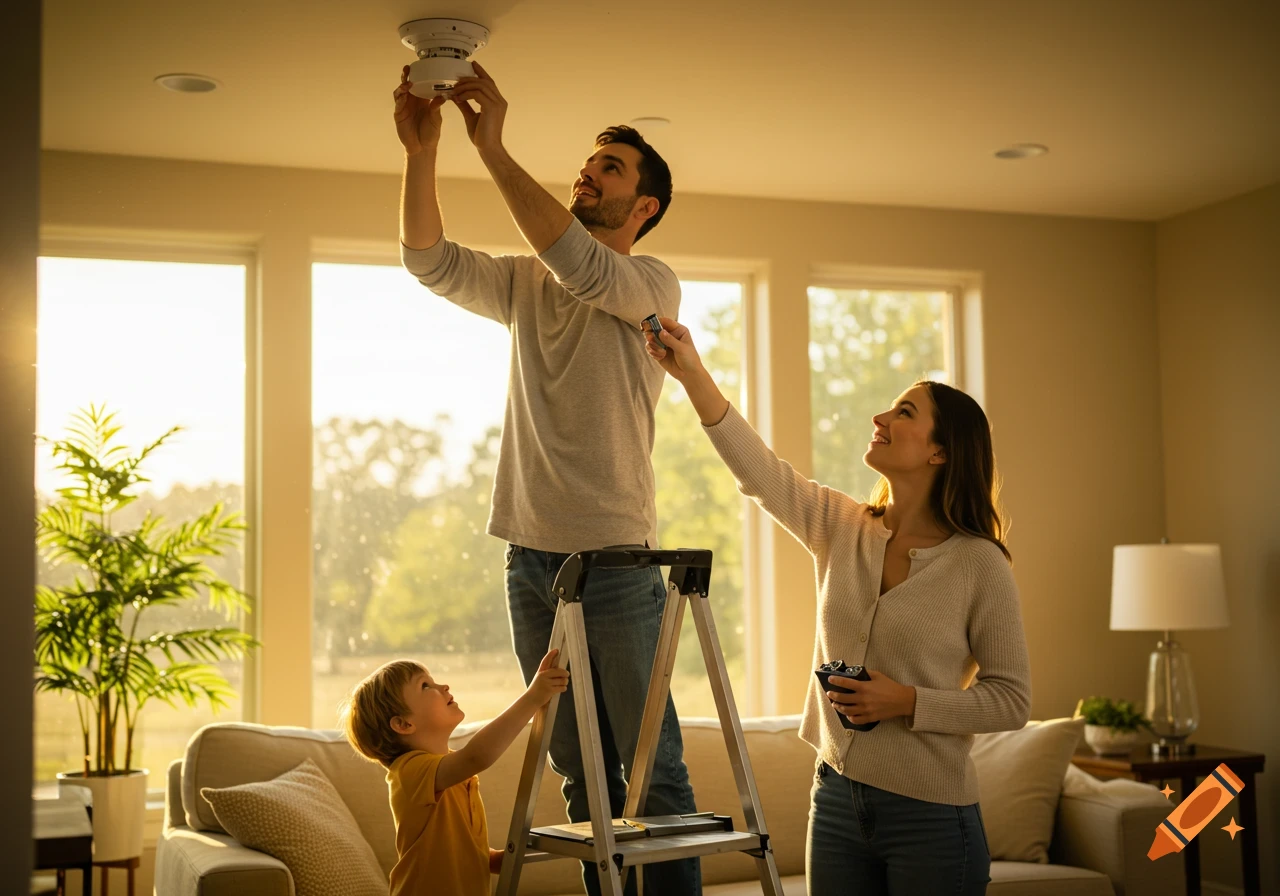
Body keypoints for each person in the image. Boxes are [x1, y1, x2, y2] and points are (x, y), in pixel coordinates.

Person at [392, 62, 700, 896]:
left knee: (652, 776)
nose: (588, 173)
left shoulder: (649, 284)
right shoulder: (527, 281)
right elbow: (427, 261)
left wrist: (489, 146)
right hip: (529, 559)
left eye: (611, 167)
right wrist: (424, 152)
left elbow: (585, 269)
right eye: (590, 160)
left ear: (644, 208)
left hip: (616, 561)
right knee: (576, 771)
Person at [643, 316, 1032, 895]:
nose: (881, 418)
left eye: (904, 413)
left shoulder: (980, 564)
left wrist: (903, 701)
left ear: (940, 454)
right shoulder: (843, 527)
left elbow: (1012, 700)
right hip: (835, 803)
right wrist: (693, 374)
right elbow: (758, 471)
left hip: (932, 818)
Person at [341, 649, 570, 896]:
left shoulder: (450, 771)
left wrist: (499, 858)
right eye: (425, 685)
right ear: (404, 724)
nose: (444, 685)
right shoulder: (409, 771)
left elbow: (465, 854)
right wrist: (533, 698)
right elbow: (477, 756)